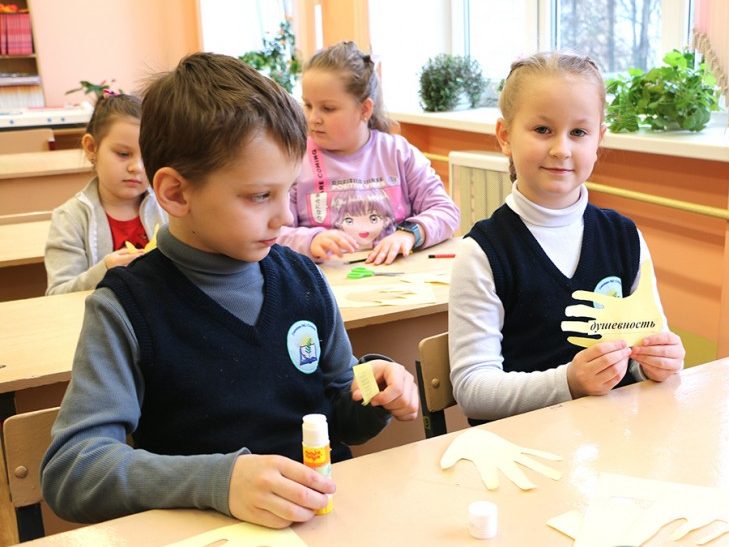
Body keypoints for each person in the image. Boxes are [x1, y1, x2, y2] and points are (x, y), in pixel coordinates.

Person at [41, 52, 419, 529]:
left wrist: (372, 391)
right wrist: (217, 481)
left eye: (287, 191)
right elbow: (73, 471)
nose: (285, 217)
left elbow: (338, 411)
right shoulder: (126, 307)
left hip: (318, 523)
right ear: (175, 193)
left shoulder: (303, 279)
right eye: (260, 196)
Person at [448, 52, 685, 422]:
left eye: (578, 133)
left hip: (614, 439)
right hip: (521, 447)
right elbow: (473, 390)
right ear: (505, 136)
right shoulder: (482, 253)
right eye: (543, 130)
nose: (561, 149)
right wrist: (569, 382)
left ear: (598, 140)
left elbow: (644, 347)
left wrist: (657, 361)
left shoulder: (624, 237)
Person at [277, 41, 459, 265]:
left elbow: (446, 211)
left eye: (328, 108)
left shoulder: (398, 153)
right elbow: (273, 233)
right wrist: (311, 240)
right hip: (326, 280)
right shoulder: (294, 160)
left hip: (397, 277)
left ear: (364, 109)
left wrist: (410, 233)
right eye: (307, 105)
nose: (313, 118)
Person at [44, 92, 167, 295]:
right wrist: (105, 270)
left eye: (147, 156)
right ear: (91, 148)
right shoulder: (70, 218)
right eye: (123, 154)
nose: (137, 167)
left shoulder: (167, 206)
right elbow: (57, 294)